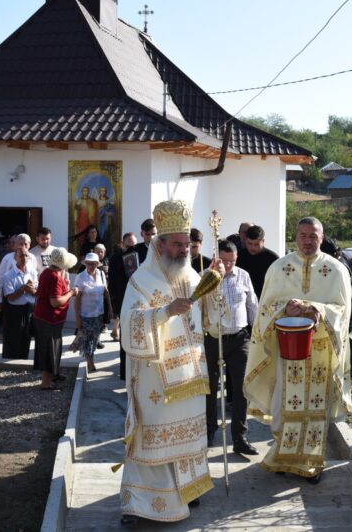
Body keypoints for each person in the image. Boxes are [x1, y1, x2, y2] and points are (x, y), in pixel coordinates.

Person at [118, 200, 224, 526]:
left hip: (191, 376)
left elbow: (214, 325)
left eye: (187, 245)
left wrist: (213, 293)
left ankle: (189, 489)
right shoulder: (141, 282)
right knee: (154, 441)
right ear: (159, 244)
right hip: (155, 382)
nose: (183, 250)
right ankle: (141, 504)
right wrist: (165, 312)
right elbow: (130, 325)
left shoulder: (193, 277)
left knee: (190, 437)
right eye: (177, 245)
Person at [243, 217, 352, 484]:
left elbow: (343, 312)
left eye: (313, 235)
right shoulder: (280, 268)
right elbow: (264, 310)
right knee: (284, 405)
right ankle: (282, 456)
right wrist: (284, 309)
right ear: (296, 236)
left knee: (315, 408)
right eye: (303, 235)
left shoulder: (336, 270)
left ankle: (311, 463)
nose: (307, 240)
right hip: (288, 349)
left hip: (320, 350)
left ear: (322, 236)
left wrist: (319, 309)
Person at [205, 240, 258, 456]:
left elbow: (251, 305)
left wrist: (256, 334)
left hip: (239, 338)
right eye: (224, 261)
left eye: (232, 261)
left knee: (240, 388)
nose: (227, 266)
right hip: (212, 337)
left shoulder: (243, 275)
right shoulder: (204, 276)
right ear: (216, 257)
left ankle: (240, 436)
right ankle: (209, 430)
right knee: (210, 387)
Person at [34, 248, 78, 389]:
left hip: (47, 318)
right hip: (49, 319)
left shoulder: (48, 272)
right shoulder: (54, 277)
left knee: (52, 347)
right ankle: (46, 383)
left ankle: (53, 375)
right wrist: (71, 293)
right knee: (49, 349)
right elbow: (55, 301)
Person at [72, 252, 111, 372]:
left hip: (99, 313)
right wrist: (77, 318)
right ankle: (90, 363)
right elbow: (77, 299)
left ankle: (90, 357)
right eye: (88, 264)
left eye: (93, 264)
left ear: (97, 264)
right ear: (85, 264)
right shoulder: (80, 277)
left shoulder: (101, 274)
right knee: (87, 339)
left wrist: (110, 308)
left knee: (95, 339)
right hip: (86, 314)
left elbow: (105, 291)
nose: (90, 266)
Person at [0, 241, 37, 360]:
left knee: (26, 336)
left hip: (28, 309)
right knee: (13, 336)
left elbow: (36, 292)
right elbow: (10, 297)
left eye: (26, 255)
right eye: (21, 255)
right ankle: (11, 359)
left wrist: (31, 289)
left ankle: (23, 358)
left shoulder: (32, 272)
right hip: (14, 310)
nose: (24, 258)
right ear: (15, 257)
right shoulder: (8, 275)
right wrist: (23, 289)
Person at [108, 231, 137, 380]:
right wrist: (115, 303)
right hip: (123, 301)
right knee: (125, 337)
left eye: (134, 246)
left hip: (138, 302)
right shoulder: (115, 258)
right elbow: (112, 283)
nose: (131, 249)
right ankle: (124, 372)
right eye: (128, 246)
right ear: (123, 243)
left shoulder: (138, 256)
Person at [237, 225, 279, 300]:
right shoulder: (238, 256)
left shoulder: (273, 258)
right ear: (246, 240)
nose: (252, 248)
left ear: (263, 241)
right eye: (250, 243)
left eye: (256, 244)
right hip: (243, 301)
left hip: (265, 300)